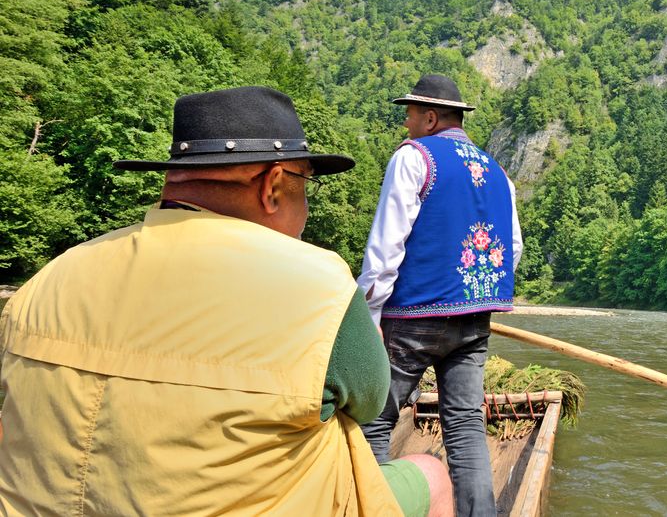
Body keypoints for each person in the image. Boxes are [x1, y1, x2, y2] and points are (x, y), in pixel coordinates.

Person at [0, 86, 451, 517]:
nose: (307, 211)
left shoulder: (50, 277)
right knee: (430, 474)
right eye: (305, 185)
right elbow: (371, 404)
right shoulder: (319, 286)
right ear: (273, 185)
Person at [359, 74, 522, 517]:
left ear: (430, 118)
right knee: (466, 425)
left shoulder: (415, 157)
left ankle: (373, 508)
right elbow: (513, 249)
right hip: (474, 320)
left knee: (373, 421)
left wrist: (367, 317)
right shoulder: (497, 171)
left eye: (410, 115)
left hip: (413, 317)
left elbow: (385, 249)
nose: (406, 124)